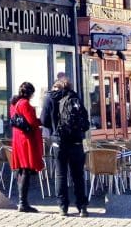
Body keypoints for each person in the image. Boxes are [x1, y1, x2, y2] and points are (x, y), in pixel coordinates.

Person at [43, 75, 89, 217]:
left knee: (61, 174)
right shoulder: (75, 97)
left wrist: (53, 128)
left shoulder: (50, 98)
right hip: (76, 141)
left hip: (59, 141)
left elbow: (44, 120)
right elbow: (85, 122)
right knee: (78, 175)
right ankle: (82, 207)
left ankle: (63, 207)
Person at [9, 81, 44, 213]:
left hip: (18, 139)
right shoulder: (25, 104)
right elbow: (32, 122)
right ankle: (23, 203)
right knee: (25, 170)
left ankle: (22, 201)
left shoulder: (14, 103)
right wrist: (43, 121)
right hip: (26, 140)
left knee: (21, 170)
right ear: (30, 93)